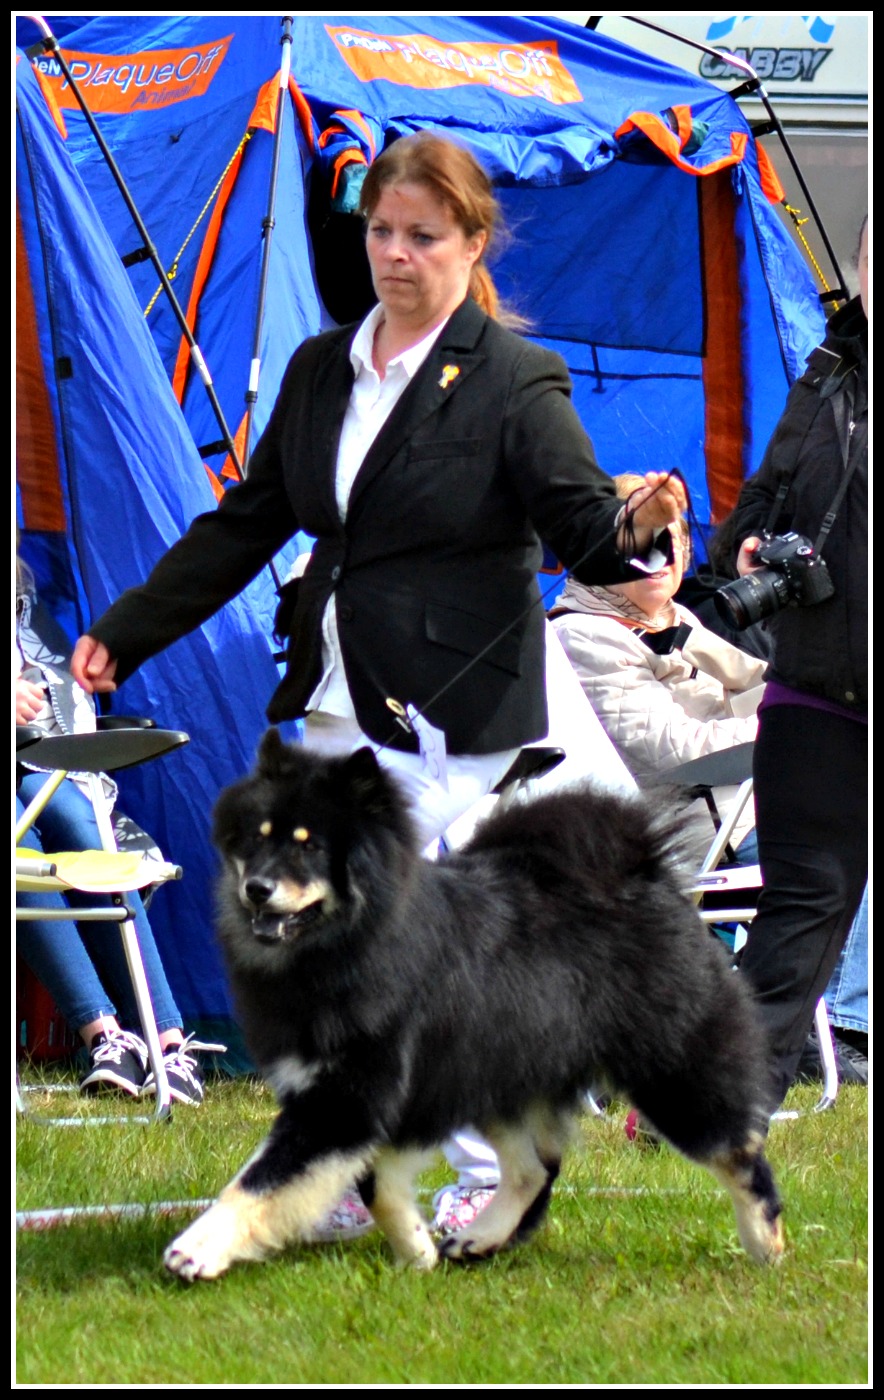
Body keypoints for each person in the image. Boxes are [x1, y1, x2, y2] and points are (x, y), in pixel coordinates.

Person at [70, 132, 688, 1228]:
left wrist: (638, 528)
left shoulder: (515, 380)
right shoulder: (321, 369)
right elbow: (249, 521)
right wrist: (127, 630)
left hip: (452, 708)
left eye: (422, 236)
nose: (395, 255)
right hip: (335, 696)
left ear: (472, 243)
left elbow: (582, 527)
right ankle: (352, 1170)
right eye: (381, 232)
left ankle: (490, 1174)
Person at [721, 214, 868, 1115]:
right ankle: (708, 1100)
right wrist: (747, 544)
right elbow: (763, 498)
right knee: (801, 908)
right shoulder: (827, 372)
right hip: (819, 684)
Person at [16, 559, 218, 1105]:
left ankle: (168, 1044)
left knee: (73, 821)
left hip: (37, 766)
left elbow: (59, 695)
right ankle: (104, 1035)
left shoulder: (24, 606)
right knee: (17, 839)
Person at [550, 472, 766, 858]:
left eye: (670, 540)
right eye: (644, 539)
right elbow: (678, 750)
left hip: (747, 804)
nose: (660, 556)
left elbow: (753, 685)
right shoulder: (583, 634)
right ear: (600, 553)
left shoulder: (671, 615)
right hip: (702, 833)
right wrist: (783, 728)